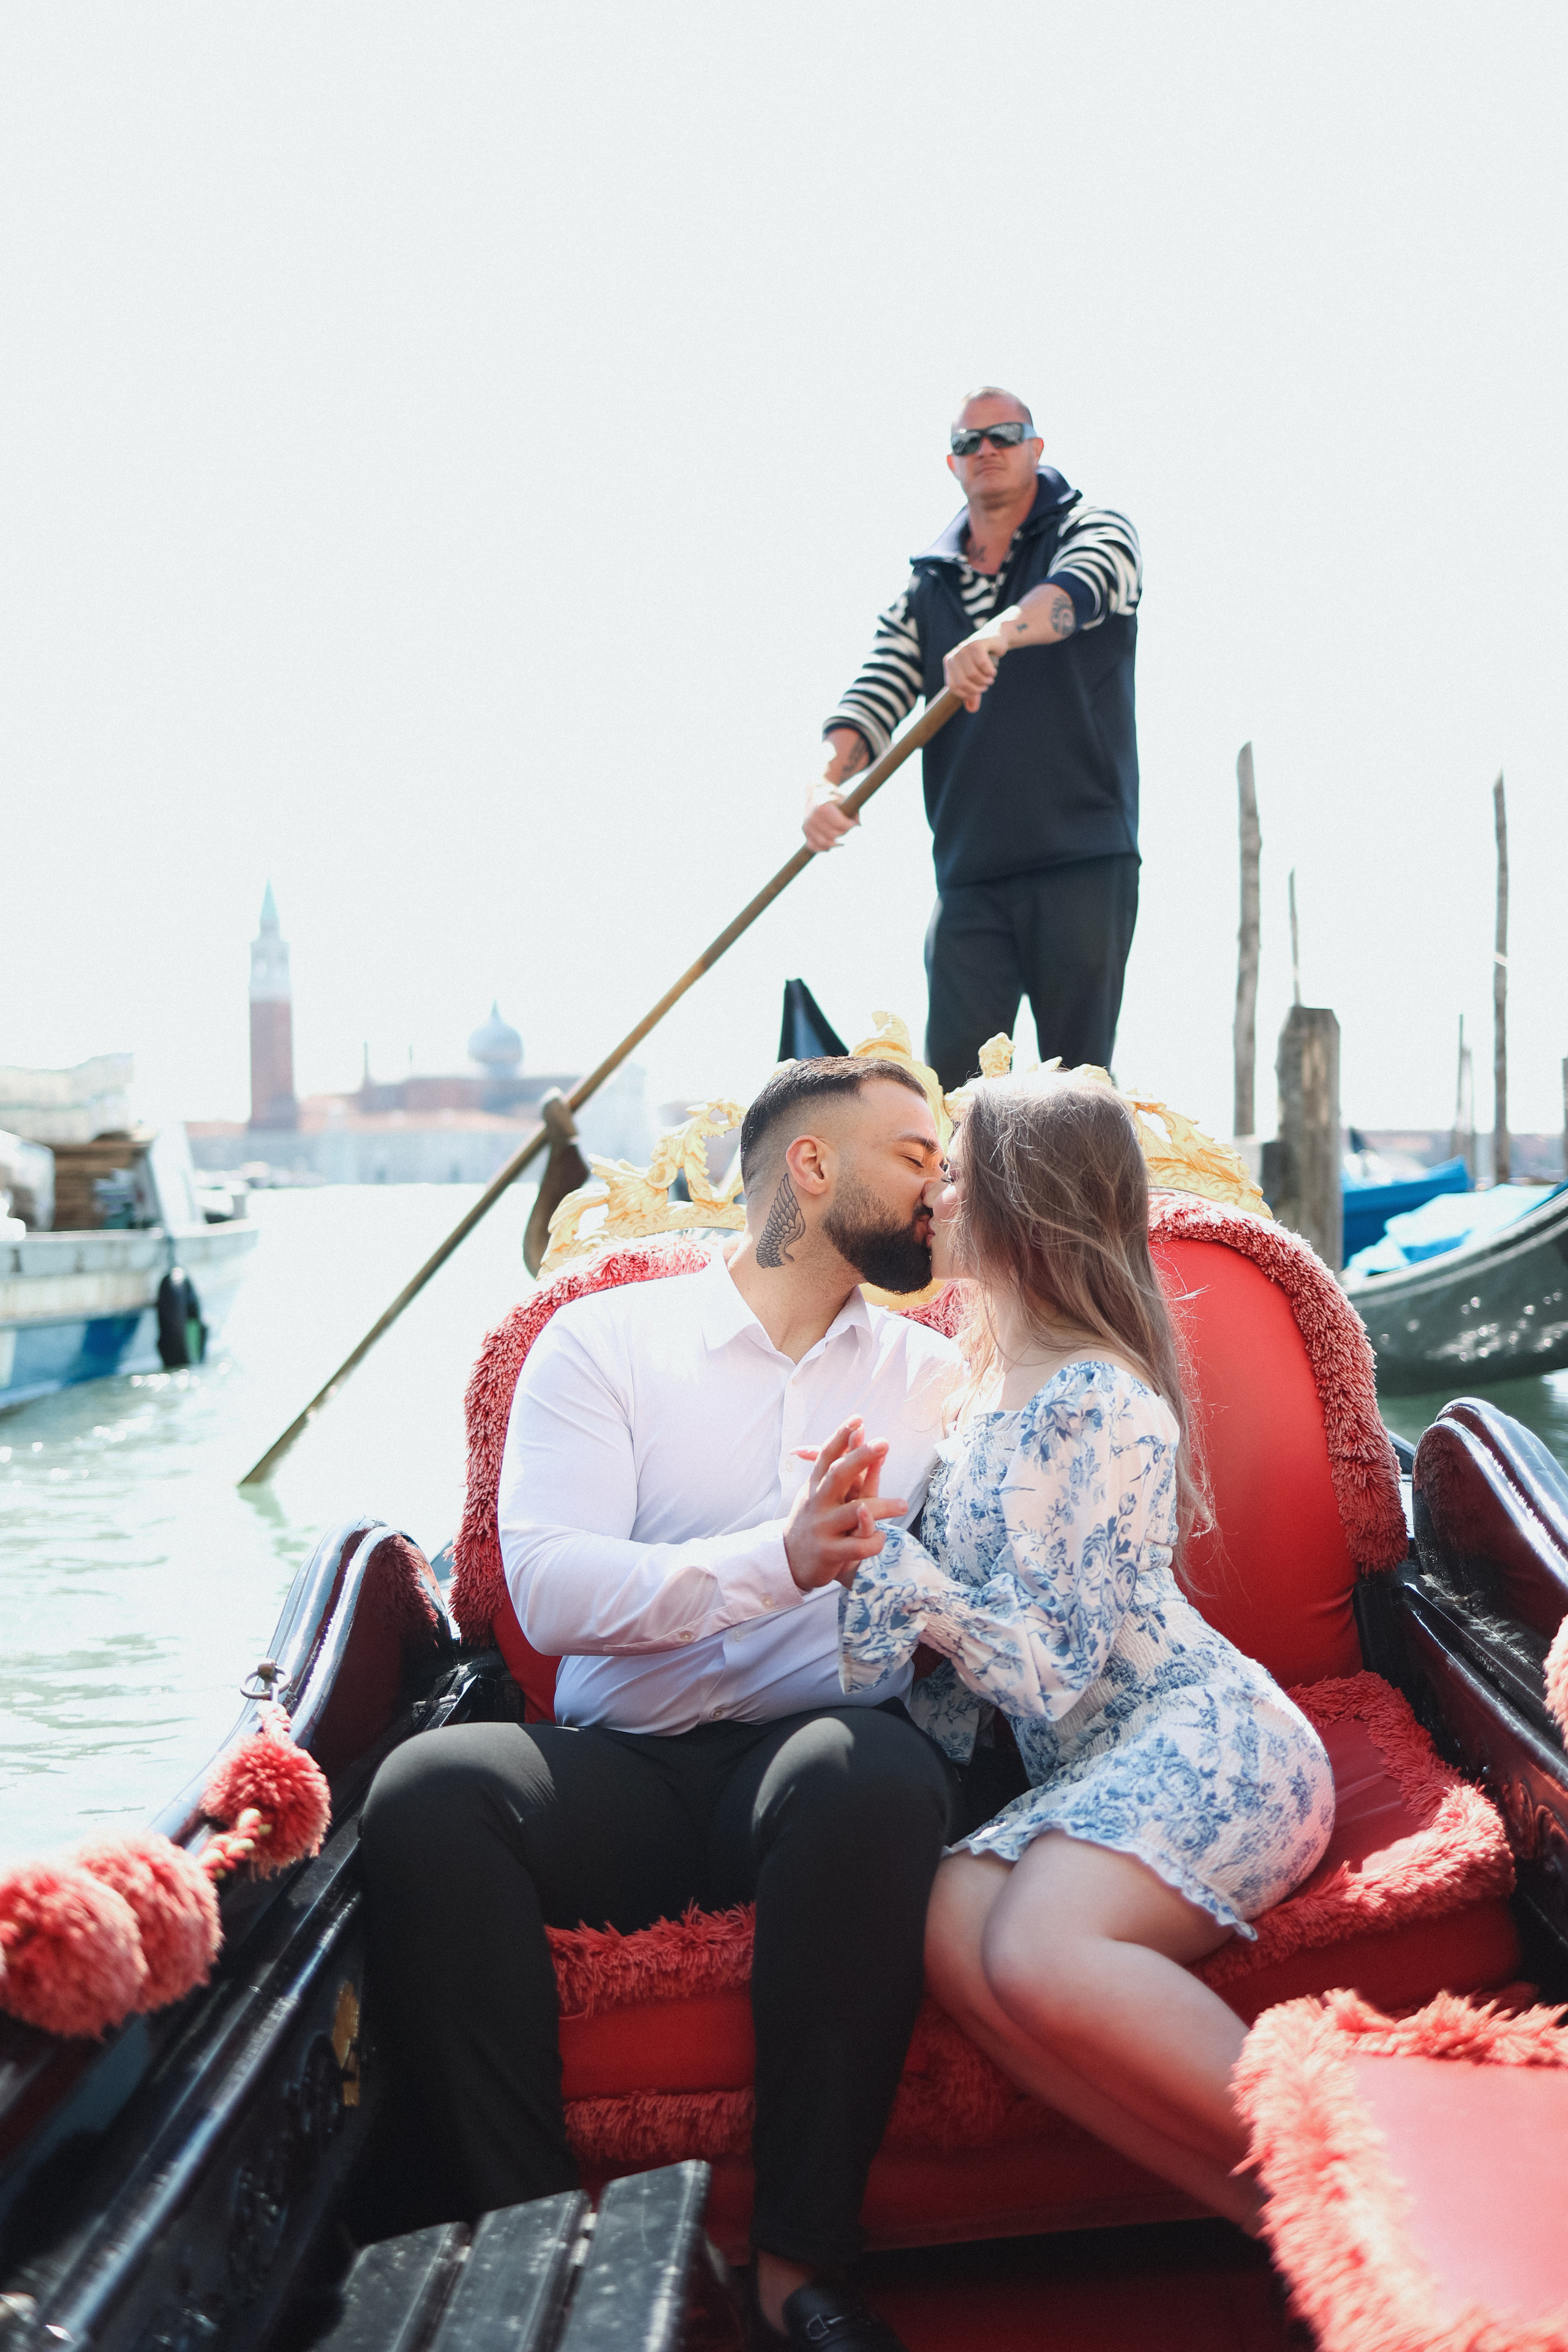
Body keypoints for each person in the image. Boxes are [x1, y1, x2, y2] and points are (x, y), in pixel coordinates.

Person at [360, 1057, 970, 2352]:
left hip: (806, 1770)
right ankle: (544, 2261)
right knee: (424, 1796)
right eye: (916, 1156)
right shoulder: (604, 1344)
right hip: (616, 1773)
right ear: (811, 1168)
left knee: (876, 1776)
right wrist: (778, 1561)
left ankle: (796, 2269)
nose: (941, 1185)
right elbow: (556, 1591)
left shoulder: (933, 1379)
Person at [831, 1072, 1336, 2229]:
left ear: (1020, 1203)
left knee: (1041, 1951)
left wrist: (900, 1575)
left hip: (1217, 1742)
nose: (931, 1199)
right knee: (955, 1934)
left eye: (953, 1173)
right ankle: (1280, 2232)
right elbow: (909, 1678)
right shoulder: (967, 1394)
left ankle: (1366, 2203)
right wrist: (852, 1559)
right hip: (1092, 1773)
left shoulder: (1103, 1398)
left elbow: (1049, 1668)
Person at [804, 388, 1143, 1096]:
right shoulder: (926, 587)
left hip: (1082, 858)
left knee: (1077, 1090)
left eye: (1004, 435)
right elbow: (877, 690)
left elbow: (1085, 587)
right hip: (970, 874)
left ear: (1034, 448)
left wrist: (997, 633)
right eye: (969, 443)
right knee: (955, 1092)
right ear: (952, 464)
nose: (986, 450)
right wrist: (827, 783)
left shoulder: (1094, 528)